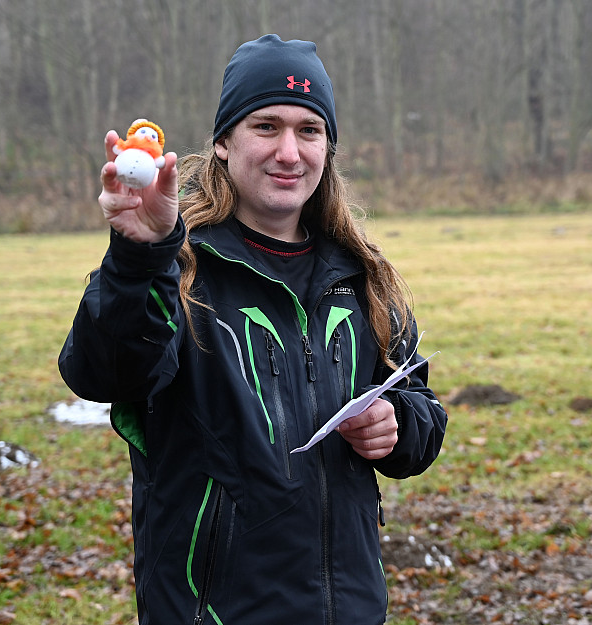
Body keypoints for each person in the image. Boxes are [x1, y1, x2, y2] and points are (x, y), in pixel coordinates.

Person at [58, 35, 448, 625]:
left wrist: (398, 429)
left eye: (308, 130)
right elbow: (102, 373)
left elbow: (421, 408)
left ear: (328, 148)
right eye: (266, 126)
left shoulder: (361, 275)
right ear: (222, 142)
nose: (289, 152)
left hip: (349, 608)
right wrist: (139, 257)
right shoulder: (179, 267)